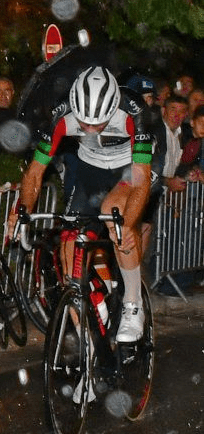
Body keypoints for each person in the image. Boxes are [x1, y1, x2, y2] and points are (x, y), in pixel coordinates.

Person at [8, 66, 152, 343]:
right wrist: (21, 212)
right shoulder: (60, 114)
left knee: (115, 215)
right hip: (91, 171)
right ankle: (90, 344)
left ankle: (133, 304)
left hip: (130, 169)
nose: (90, 129)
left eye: (98, 124)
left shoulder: (134, 111)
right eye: (84, 124)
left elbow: (142, 179)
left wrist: (129, 224)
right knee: (70, 244)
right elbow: (35, 172)